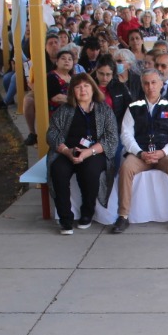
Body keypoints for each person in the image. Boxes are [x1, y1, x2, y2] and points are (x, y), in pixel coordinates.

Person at [113, 69, 168, 234]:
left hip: (164, 154)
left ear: (161, 84)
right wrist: (139, 153)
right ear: (142, 86)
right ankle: (123, 216)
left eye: (154, 82)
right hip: (141, 154)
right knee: (126, 167)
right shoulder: (133, 107)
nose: (150, 86)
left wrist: (163, 152)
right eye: (146, 83)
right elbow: (126, 135)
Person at [46, 73, 117, 235]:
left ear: (93, 88)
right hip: (67, 150)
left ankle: (87, 212)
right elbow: (51, 134)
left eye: (86, 86)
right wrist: (66, 151)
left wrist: (87, 152)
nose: (82, 90)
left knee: (90, 171)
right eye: (78, 87)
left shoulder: (104, 109)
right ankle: (65, 219)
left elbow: (112, 138)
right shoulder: (64, 110)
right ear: (72, 91)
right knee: (58, 170)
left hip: (93, 151)